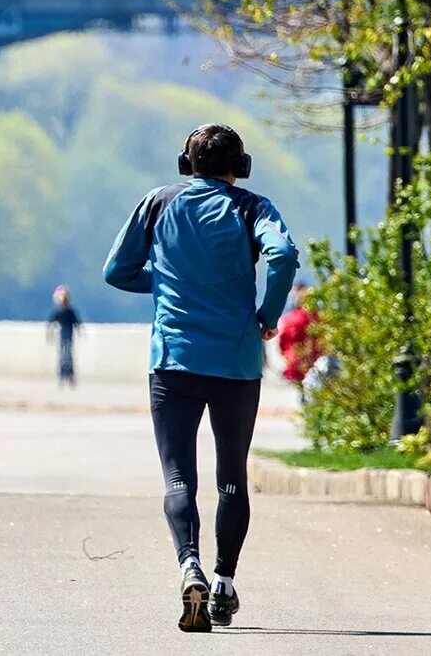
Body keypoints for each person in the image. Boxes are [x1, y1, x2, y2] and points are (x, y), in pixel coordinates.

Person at [103, 123, 298, 632]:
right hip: (234, 362)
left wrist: (168, 280)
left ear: (184, 164)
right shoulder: (252, 206)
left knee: (177, 476)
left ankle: (188, 564)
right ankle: (224, 583)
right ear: (242, 166)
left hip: (173, 361)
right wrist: (267, 314)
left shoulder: (158, 202)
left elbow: (116, 271)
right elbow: (282, 255)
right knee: (231, 476)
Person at [277, 283, 321, 388]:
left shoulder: (289, 319)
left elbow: (282, 344)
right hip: (315, 368)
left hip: (294, 368)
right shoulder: (318, 318)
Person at [46, 285, 82, 388]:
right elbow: (51, 323)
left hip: (67, 333)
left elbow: (77, 322)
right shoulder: (60, 310)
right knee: (63, 355)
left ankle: (68, 375)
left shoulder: (68, 310)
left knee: (67, 355)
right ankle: (63, 375)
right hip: (64, 333)